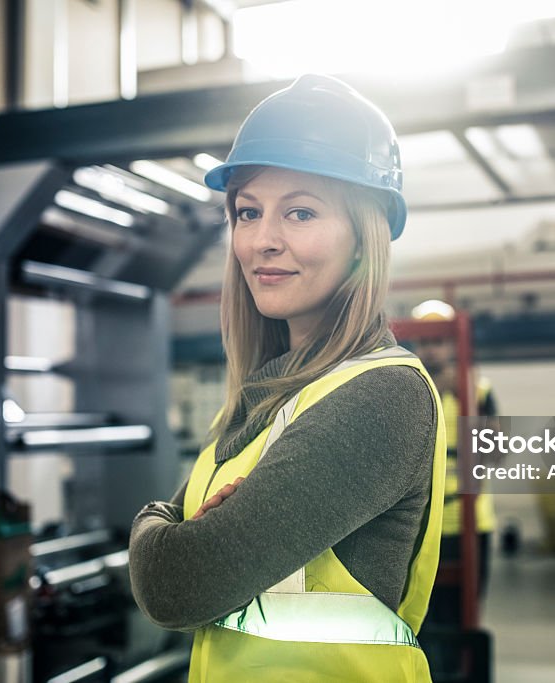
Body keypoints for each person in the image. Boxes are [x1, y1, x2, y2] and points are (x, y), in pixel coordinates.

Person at [128, 74, 446, 682]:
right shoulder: (272, 396)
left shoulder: (380, 398)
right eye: (248, 212)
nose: (262, 241)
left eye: (300, 211)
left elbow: (176, 582)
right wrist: (174, 534)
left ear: (364, 237)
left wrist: (151, 521)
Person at [410, 299, 498, 628]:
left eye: (438, 342)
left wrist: (464, 399)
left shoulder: (478, 390)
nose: (431, 350)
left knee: (465, 616)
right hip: (418, 524)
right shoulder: (404, 388)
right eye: (424, 342)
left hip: (469, 523)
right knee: (421, 619)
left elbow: (494, 453)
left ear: (451, 344)